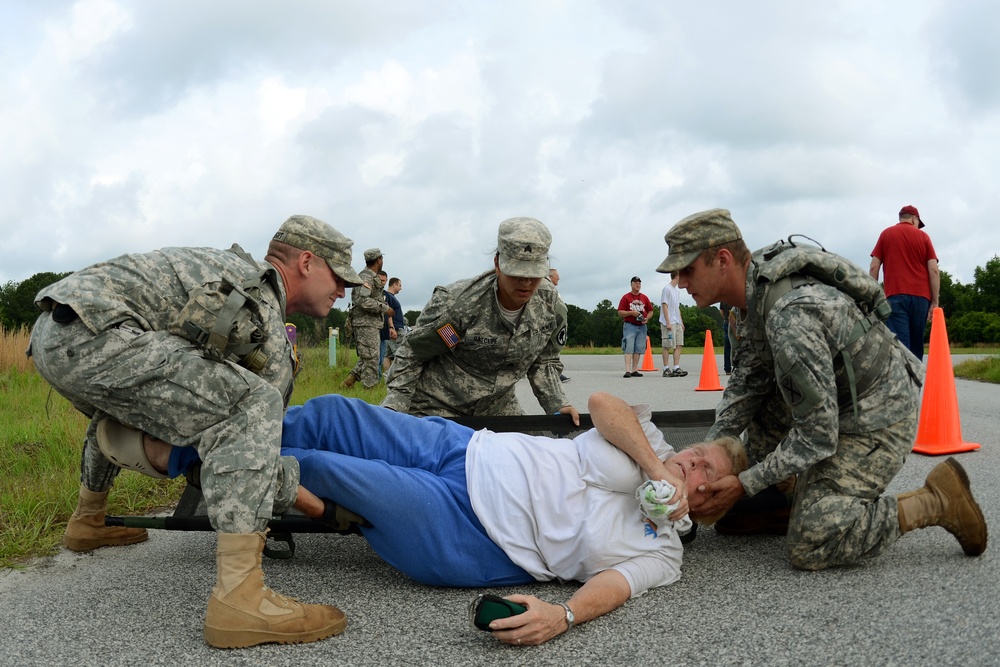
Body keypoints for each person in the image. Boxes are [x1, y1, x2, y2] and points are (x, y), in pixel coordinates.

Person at [148, 391, 747, 647]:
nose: (691, 465)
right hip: (465, 450)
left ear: (710, 504)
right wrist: (653, 466)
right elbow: (602, 405)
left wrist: (562, 616)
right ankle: (181, 445)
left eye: (702, 474)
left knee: (317, 464)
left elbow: (614, 585)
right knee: (335, 414)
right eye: (697, 454)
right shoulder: (650, 440)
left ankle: (173, 459)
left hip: (471, 535)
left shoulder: (663, 553)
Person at [27, 215, 365, 648]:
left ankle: (88, 521)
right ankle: (240, 598)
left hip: (54, 335)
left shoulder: (226, 271)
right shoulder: (258, 303)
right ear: (305, 262)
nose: (342, 291)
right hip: (101, 336)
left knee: (138, 414)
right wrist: (321, 509)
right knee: (253, 402)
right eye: (339, 278)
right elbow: (250, 452)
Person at [657, 208, 987, 570]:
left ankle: (938, 499)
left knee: (812, 541)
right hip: (833, 399)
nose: (680, 282)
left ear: (722, 259)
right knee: (736, 504)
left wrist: (745, 483)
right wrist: (714, 450)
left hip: (876, 412)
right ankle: (796, 492)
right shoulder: (746, 301)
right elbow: (748, 382)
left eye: (687, 270)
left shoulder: (790, 317)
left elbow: (817, 435)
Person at [383, 217, 578, 423]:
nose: (526, 282)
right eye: (517, 273)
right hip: (439, 405)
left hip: (497, 408)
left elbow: (545, 360)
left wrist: (558, 403)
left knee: (529, 450)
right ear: (497, 264)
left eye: (534, 273)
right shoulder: (459, 306)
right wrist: (396, 407)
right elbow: (415, 352)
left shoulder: (550, 306)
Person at [869, 204, 940, 360]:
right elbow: (934, 270)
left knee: (900, 346)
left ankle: (903, 381)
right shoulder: (924, 237)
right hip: (921, 298)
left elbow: (874, 267)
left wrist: (873, 297)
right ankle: (915, 381)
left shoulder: (886, 234)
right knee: (916, 347)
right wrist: (934, 301)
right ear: (914, 219)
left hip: (895, 296)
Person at [343, 249, 393, 388]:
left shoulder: (371, 276)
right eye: (381, 258)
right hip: (365, 323)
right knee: (371, 358)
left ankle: (349, 381)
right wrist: (385, 308)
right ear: (378, 260)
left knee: (369, 355)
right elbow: (363, 301)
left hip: (370, 323)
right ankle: (369, 389)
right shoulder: (366, 277)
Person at [617, 276, 654, 378]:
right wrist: (631, 313)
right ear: (631, 284)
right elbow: (620, 312)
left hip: (642, 326)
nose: (638, 285)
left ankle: (634, 370)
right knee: (629, 347)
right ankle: (627, 370)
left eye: (639, 283)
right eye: (636, 283)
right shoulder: (626, 297)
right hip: (630, 325)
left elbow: (650, 311)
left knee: (639, 348)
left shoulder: (644, 298)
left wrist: (647, 318)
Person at [658, 272, 687, 378]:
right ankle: (666, 368)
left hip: (677, 321)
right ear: (677, 276)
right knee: (667, 345)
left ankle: (676, 367)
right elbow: (664, 306)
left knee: (679, 344)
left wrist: (681, 322)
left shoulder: (676, 290)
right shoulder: (667, 289)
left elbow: (677, 307)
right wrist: (668, 322)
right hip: (668, 322)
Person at [379, 274, 405, 376]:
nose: (401, 288)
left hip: (392, 329)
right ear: (394, 285)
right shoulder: (388, 296)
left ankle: (387, 376)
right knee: (401, 353)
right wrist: (392, 328)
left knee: (387, 355)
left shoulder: (391, 297)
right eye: (399, 285)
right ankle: (399, 376)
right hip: (395, 329)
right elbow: (387, 313)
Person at [549, 268, 571, 383]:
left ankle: (555, 372)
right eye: (557, 275)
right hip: (550, 325)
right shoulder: (548, 290)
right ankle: (555, 373)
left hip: (556, 324)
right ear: (550, 277)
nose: (559, 278)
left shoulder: (553, 290)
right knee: (552, 349)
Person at [720, 302, 734, 374]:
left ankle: (727, 368)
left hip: (726, 321)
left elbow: (721, 311)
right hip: (734, 322)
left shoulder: (723, 299)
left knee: (727, 346)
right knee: (735, 345)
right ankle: (735, 366)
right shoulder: (734, 297)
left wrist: (725, 317)